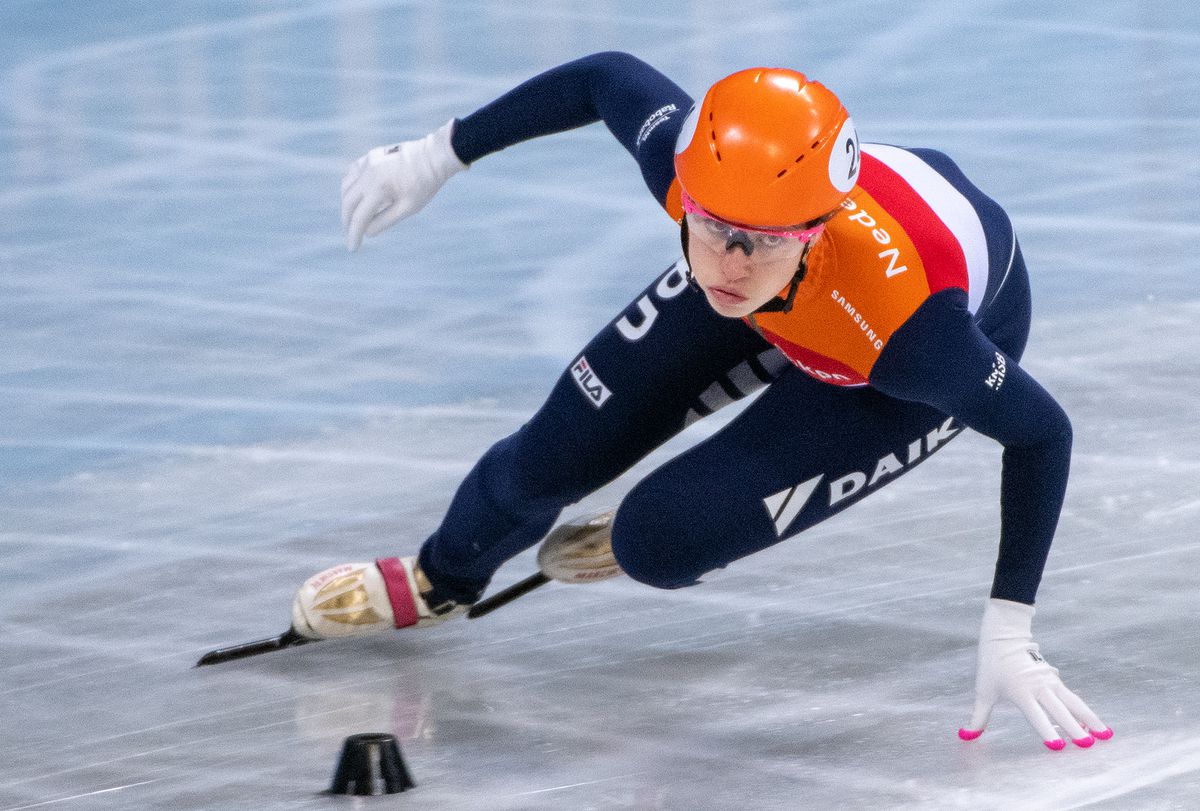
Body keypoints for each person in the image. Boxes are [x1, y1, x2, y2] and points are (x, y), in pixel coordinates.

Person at [295, 51, 1111, 750]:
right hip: (815, 296)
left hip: (880, 345)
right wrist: (437, 154)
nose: (727, 261)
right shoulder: (703, 192)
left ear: (816, 228)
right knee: (543, 461)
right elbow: (602, 77)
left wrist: (1010, 626)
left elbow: (1044, 434)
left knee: (662, 540)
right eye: (709, 225)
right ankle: (441, 577)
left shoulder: (918, 338)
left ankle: (662, 519)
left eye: (759, 241)